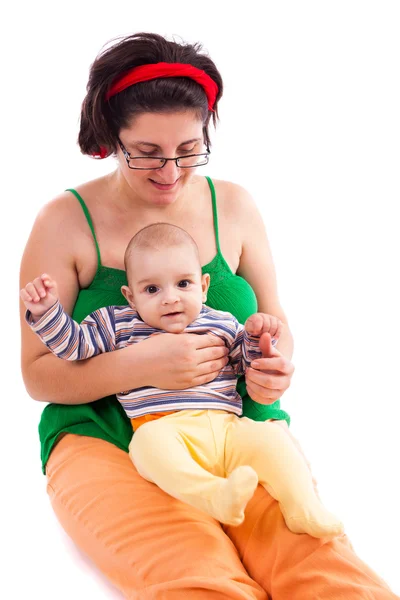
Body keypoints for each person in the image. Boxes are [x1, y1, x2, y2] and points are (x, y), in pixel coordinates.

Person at [19, 31, 398, 599]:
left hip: (236, 430)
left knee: (325, 569)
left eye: (189, 149)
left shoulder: (237, 207)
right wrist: (146, 364)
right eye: (145, 152)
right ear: (109, 138)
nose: (170, 171)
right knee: (199, 577)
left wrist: (273, 363)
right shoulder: (63, 221)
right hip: (106, 439)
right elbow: (37, 372)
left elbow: (277, 323)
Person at [21, 223, 344, 538]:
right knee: (148, 449)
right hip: (166, 427)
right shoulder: (118, 324)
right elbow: (74, 347)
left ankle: (304, 506)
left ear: (203, 286)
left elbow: (247, 365)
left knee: (273, 441)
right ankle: (215, 495)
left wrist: (258, 337)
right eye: (152, 289)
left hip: (228, 428)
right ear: (130, 297)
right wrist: (47, 313)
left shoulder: (221, 322)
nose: (170, 298)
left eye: (183, 284)